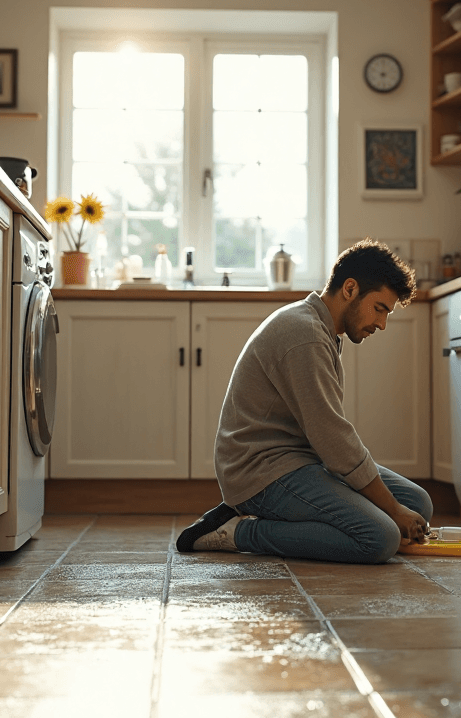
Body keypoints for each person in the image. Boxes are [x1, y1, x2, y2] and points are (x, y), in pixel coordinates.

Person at [175, 239, 433, 564]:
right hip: (261, 470)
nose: (381, 324)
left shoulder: (321, 329)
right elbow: (333, 440)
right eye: (379, 308)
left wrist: (396, 508)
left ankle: (301, 518)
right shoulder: (305, 335)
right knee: (380, 538)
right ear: (350, 289)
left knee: (418, 504)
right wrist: (392, 510)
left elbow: (329, 442)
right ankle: (238, 531)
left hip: (301, 460)